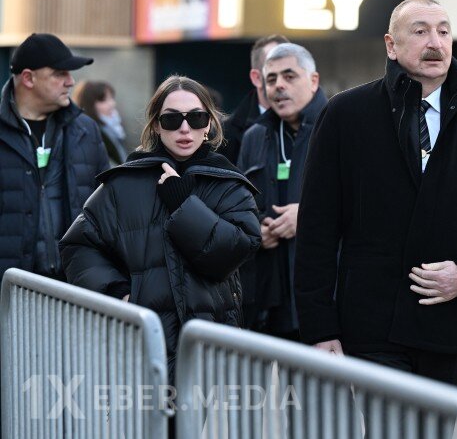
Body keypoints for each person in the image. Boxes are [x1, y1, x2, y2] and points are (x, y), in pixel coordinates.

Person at [295, 0, 457, 386]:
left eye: (444, 31)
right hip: (371, 327)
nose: (435, 42)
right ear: (391, 45)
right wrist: (319, 327)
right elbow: (317, 229)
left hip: (452, 327)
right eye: (420, 31)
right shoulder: (347, 113)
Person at [60, 76, 261, 370]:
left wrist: (183, 206)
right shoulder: (123, 184)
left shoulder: (229, 185)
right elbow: (78, 244)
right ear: (156, 124)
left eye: (196, 118)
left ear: (208, 124)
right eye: (171, 119)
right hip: (139, 347)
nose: (184, 128)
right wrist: (118, 294)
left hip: (209, 348)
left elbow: (231, 254)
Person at [0, 33, 109, 282]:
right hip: (9, 290)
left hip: (75, 286)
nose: (71, 82)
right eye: (60, 73)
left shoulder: (86, 131)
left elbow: (108, 212)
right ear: (28, 78)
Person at [237, 43, 327, 339]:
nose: (279, 86)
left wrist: (307, 216)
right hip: (268, 302)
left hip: (325, 300)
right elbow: (238, 207)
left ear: (313, 80)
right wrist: (254, 232)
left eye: (289, 76)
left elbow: (368, 205)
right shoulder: (255, 136)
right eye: (271, 79)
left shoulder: (339, 126)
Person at [221, 34, 290, 163]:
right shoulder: (226, 136)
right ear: (257, 78)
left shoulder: (312, 125)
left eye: (289, 73)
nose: (282, 83)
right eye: (274, 70)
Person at [72, 80, 129, 166]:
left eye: (111, 98)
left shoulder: (111, 126)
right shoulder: (87, 131)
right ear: (89, 104)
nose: (112, 104)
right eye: (103, 100)